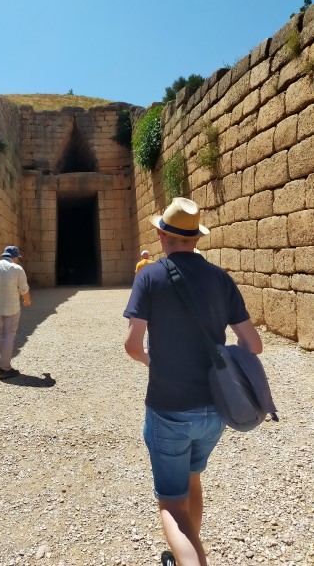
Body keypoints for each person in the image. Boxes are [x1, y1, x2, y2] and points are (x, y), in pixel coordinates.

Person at [123, 198, 262, 566]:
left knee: (171, 503)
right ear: (197, 238)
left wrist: (155, 362)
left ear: (161, 235)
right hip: (216, 408)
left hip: (168, 406)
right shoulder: (221, 278)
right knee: (192, 480)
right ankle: (185, 554)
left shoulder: (149, 276)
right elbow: (253, 344)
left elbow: (133, 346)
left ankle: (189, 558)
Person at [0, 246, 31, 380]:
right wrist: (27, 301)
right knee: (9, 335)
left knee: (1, 333)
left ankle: (2, 360)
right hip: (12, 308)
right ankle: (5, 369)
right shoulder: (17, 269)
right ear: (14, 257)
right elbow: (24, 289)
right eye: (17, 258)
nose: (17, 260)